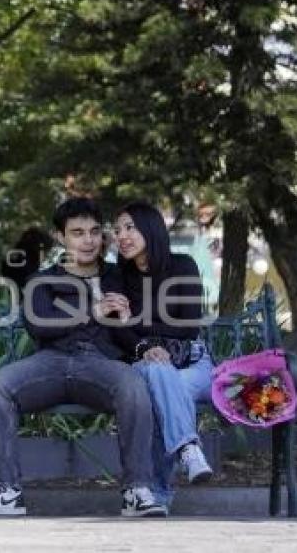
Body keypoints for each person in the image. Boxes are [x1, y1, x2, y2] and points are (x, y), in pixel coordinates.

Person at [0, 197, 166, 518]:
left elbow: (147, 310)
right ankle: (5, 491)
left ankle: (137, 489)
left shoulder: (121, 276)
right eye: (77, 232)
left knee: (132, 383)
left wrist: (132, 321)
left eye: (95, 232)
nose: (88, 240)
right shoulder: (42, 281)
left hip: (101, 364)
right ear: (61, 237)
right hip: (51, 362)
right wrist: (93, 311)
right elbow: (40, 324)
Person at [112, 201, 214, 511]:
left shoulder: (182, 266)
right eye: (117, 230)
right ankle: (188, 449)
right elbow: (117, 332)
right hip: (146, 362)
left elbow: (188, 325)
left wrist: (135, 321)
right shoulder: (118, 276)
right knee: (158, 376)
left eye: (130, 227)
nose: (122, 236)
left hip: (193, 364)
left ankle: (159, 494)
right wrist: (144, 344)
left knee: (164, 389)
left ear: (150, 228)